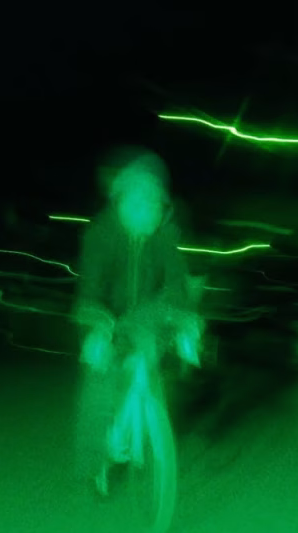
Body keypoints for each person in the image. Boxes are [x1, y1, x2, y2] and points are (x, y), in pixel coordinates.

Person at [72, 146, 202, 497]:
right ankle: (94, 461)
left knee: (160, 367)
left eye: (156, 202)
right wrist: (97, 329)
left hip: (146, 316)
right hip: (106, 316)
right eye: (140, 200)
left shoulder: (164, 235)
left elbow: (176, 284)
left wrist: (186, 322)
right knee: (99, 381)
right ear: (122, 201)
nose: (150, 209)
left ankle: (152, 426)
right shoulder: (100, 234)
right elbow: (90, 291)